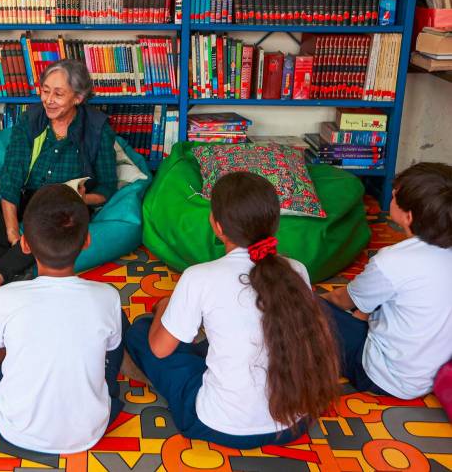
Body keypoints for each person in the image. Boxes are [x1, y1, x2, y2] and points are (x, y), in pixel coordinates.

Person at [125, 172, 340, 449]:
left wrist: (165, 308)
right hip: (294, 422)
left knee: (142, 334)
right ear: (275, 223)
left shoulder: (199, 276)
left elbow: (160, 349)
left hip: (217, 424)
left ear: (216, 225)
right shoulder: (296, 270)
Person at [0, 184, 126, 454]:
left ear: (25, 245)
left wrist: (15, 349)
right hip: (91, 429)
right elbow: (109, 352)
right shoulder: (108, 296)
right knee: (116, 319)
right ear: (87, 241)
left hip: (13, 429)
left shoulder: (4, 298)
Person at [0, 59, 118, 311]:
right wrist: (11, 231)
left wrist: (84, 199)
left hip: (65, 204)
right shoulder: (31, 120)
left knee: (54, 211)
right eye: (45, 90)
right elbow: (11, 174)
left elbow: (107, 187)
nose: (49, 99)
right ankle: (15, 274)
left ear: (78, 97)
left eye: (59, 94)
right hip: (27, 195)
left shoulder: (96, 128)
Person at [322, 162, 452, 399]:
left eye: (394, 196)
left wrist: (311, 305)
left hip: (385, 377)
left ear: (408, 217)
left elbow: (341, 299)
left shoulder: (393, 261)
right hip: (433, 372)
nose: (390, 198)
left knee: (299, 303)